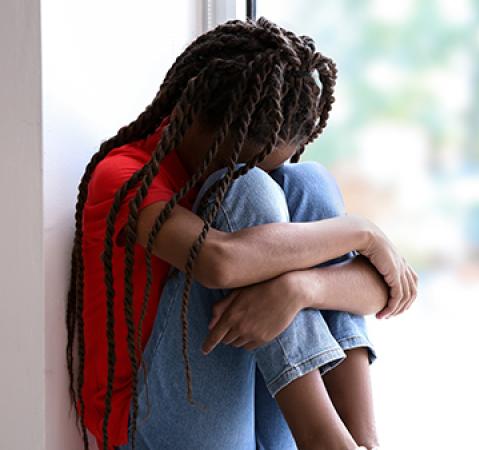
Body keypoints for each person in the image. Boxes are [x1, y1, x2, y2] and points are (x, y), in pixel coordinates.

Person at [65, 17, 418, 450]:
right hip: (155, 425)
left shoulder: (281, 179)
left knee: (310, 184)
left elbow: (375, 294)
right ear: (193, 119)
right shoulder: (124, 174)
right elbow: (220, 262)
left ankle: (362, 442)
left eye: (271, 164)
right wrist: (361, 232)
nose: (266, 176)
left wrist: (299, 286)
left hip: (255, 415)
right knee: (247, 195)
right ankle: (327, 442)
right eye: (242, 160)